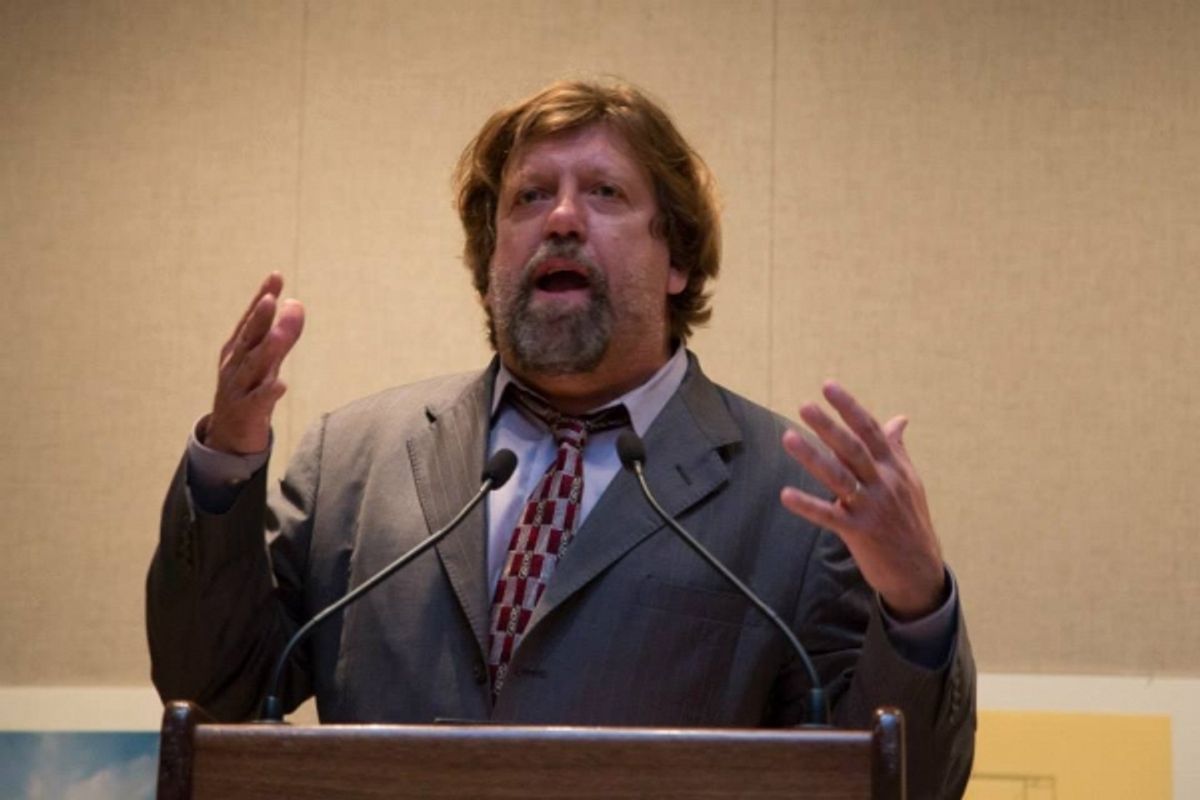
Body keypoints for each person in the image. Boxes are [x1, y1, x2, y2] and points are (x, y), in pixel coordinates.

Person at [147, 79, 975, 798]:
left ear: (677, 258)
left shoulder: (791, 499)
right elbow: (214, 692)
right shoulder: (351, 463)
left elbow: (901, 785)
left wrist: (915, 605)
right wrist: (225, 462)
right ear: (492, 254)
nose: (563, 218)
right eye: (529, 197)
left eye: (606, 193)